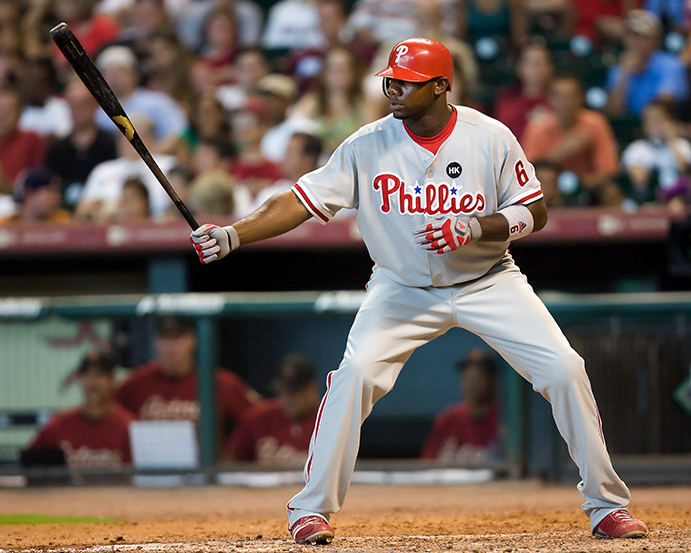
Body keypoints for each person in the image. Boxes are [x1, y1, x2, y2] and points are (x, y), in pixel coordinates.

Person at [189, 37, 648, 544]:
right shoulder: (366, 144)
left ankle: (606, 505)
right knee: (355, 376)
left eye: (406, 83)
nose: (394, 90)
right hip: (400, 287)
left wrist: (475, 227)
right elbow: (300, 200)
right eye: (391, 81)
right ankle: (309, 510)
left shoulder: (490, 136)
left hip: (488, 279)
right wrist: (234, 235)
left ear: (440, 86)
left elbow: (534, 212)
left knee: (565, 368)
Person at [114, 316, 259, 439]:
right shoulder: (135, 383)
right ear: (155, 342)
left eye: (178, 337)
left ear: (192, 340)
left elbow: (258, 420)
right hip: (151, 468)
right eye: (165, 338)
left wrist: (232, 454)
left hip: (204, 468)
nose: (171, 346)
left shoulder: (222, 383)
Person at [522, 75, 622, 206]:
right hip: (548, 188)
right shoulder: (537, 127)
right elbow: (528, 174)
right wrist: (561, 151)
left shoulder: (596, 123)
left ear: (580, 98)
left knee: (610, 191)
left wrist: (580, 184)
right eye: (560, 97)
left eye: (571, 96)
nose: (566, 103)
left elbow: (609, 169)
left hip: (588, 187)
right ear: (550, 99)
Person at [26, 349, 135, 469]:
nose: (92, 381)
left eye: (99, 374)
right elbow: (30, 468)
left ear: (112, 379)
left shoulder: (129, 426)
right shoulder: (59, 424)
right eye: (86, 374)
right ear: (80, 379)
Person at [75, 114, 177, 221]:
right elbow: (83, 210)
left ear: (149, 139)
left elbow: (179, 204)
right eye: (123, 137)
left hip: (156, 227)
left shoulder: (168, 165)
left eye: (132, 137)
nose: (127, 142)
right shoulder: (103, 170)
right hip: (109, 227)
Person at [225, 353, 321, 465]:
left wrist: (310, 463)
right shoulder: (259, 416)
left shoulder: (330, 419)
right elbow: (228, 463)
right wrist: (259, 466)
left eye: (294, 392)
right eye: (282, 391)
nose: (287, 398)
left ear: (313, 387)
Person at [94, 45, 187, 154]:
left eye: (120, 72)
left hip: (156, 160)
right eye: (109, 73)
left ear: (134, 74)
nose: (114, 78)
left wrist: (150, 158)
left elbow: (178, 132)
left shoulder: (156, 101)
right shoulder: (99, 113)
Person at [44, 79, 118, 209]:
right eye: (73, 105)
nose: (78, 111)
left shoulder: (111, 144)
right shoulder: (57, 149)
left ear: (95, 105)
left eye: (83, 104)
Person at [604, 9, 688, 118]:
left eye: (643, 37)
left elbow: (664, 104)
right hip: (628, 130)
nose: (636, 42)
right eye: (631, 36)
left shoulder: (672, 65)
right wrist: (625, 75)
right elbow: (613, 113)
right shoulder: (618, 70)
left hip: (662, 127)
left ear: (656, 40)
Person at [420, 348, 499, 463]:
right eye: (468, 376)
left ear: (493, 381)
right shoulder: (449, 418)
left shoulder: (503, 421)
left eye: (479, 377)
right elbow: (427, 462)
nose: (472, 384)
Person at [621, 100, 691, 204]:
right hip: (649, 200)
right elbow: (639, 180)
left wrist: (671, 140)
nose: (653, 124)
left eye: (658, 119)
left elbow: (685, 168)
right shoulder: (637, 148)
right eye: (649, 120)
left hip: (681, 200)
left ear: (668, 122)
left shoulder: (681, 145)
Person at [492, 43, 553, 143]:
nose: (535, 68)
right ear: (519, 67)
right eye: (530, 62)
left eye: (540, 62)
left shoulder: (558, 100)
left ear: (550, 67)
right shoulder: (506, 99)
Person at [0, 86, 45, 195]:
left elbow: (37, 185)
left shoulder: (31, 139)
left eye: (8, 111)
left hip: (16, 203)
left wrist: (6, 185)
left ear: (19, 114)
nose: (2, 116)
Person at [0, 168, 72, 225]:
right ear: (29, 192)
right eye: (50, 190)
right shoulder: (6, 224)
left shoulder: (64, 222)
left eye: (57, 192)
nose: (57, 197)